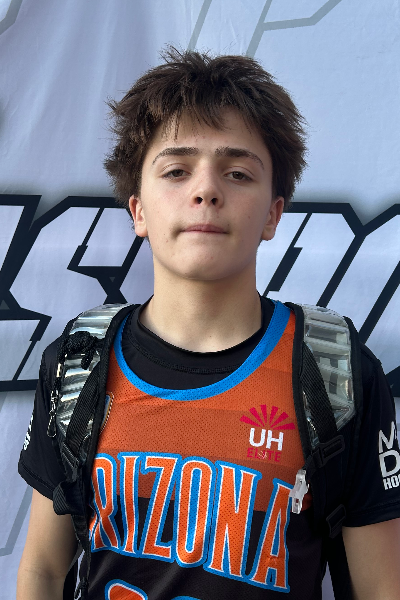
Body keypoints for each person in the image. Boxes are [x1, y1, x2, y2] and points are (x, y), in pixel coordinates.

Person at [16, 47, 400, 600]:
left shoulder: (336, 373)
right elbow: (43, 571)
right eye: (176, 170)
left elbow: (381, 588)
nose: (206, 190)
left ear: (273, 213)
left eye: (238, 173)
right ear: (138, 210)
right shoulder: (78, 363)